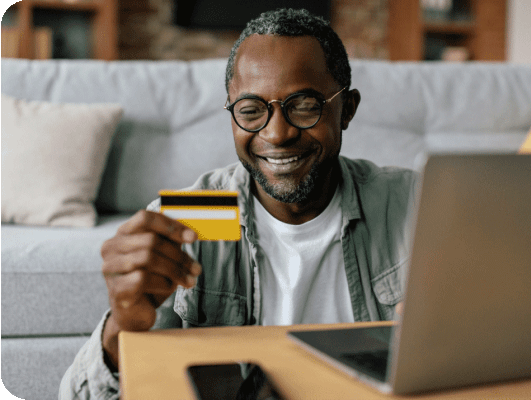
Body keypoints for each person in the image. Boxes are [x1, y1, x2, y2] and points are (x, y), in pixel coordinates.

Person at [59, 8, 416, 399]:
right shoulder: (189, 220)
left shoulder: (413, 206)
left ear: (346, 109)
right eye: (251, 111)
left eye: (304, 105)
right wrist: (121, 328)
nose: (277, 134)